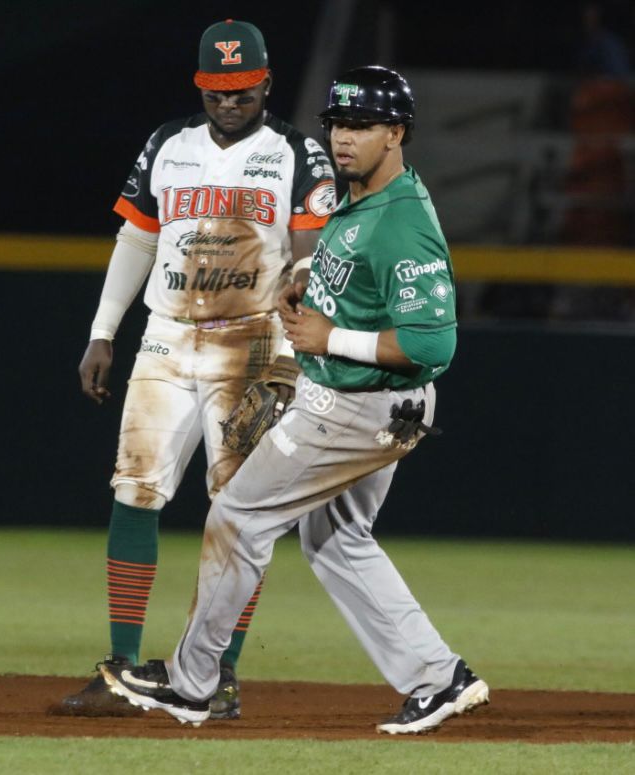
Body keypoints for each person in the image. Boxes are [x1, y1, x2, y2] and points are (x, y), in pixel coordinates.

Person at [101, 65, 490, 735]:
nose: (344, 138)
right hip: (366, 403)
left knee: (238, 515)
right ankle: (439, 677)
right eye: (337, 124)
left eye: (362, 125)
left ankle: (193, 684)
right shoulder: (365, 198)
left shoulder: (401, 221)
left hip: (357, 406)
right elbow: (356, 280)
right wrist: (313, 289)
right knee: (336, 539)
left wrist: (331, 336)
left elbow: (433, 343)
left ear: (396, 133)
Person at [58, 19, 336, 718]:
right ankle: (122, 668)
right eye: (217, 91)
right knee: (135, 489)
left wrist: (293, 351)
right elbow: (137, 237)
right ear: (200, 86)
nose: (229, 103)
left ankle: (219, 673)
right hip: (166, 333)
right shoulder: (168, 143)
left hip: (253, 338)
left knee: (241, 509)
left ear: (266, 83)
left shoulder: (298, 152)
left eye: (242, 90)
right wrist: (102, 331)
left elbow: (310, 253)